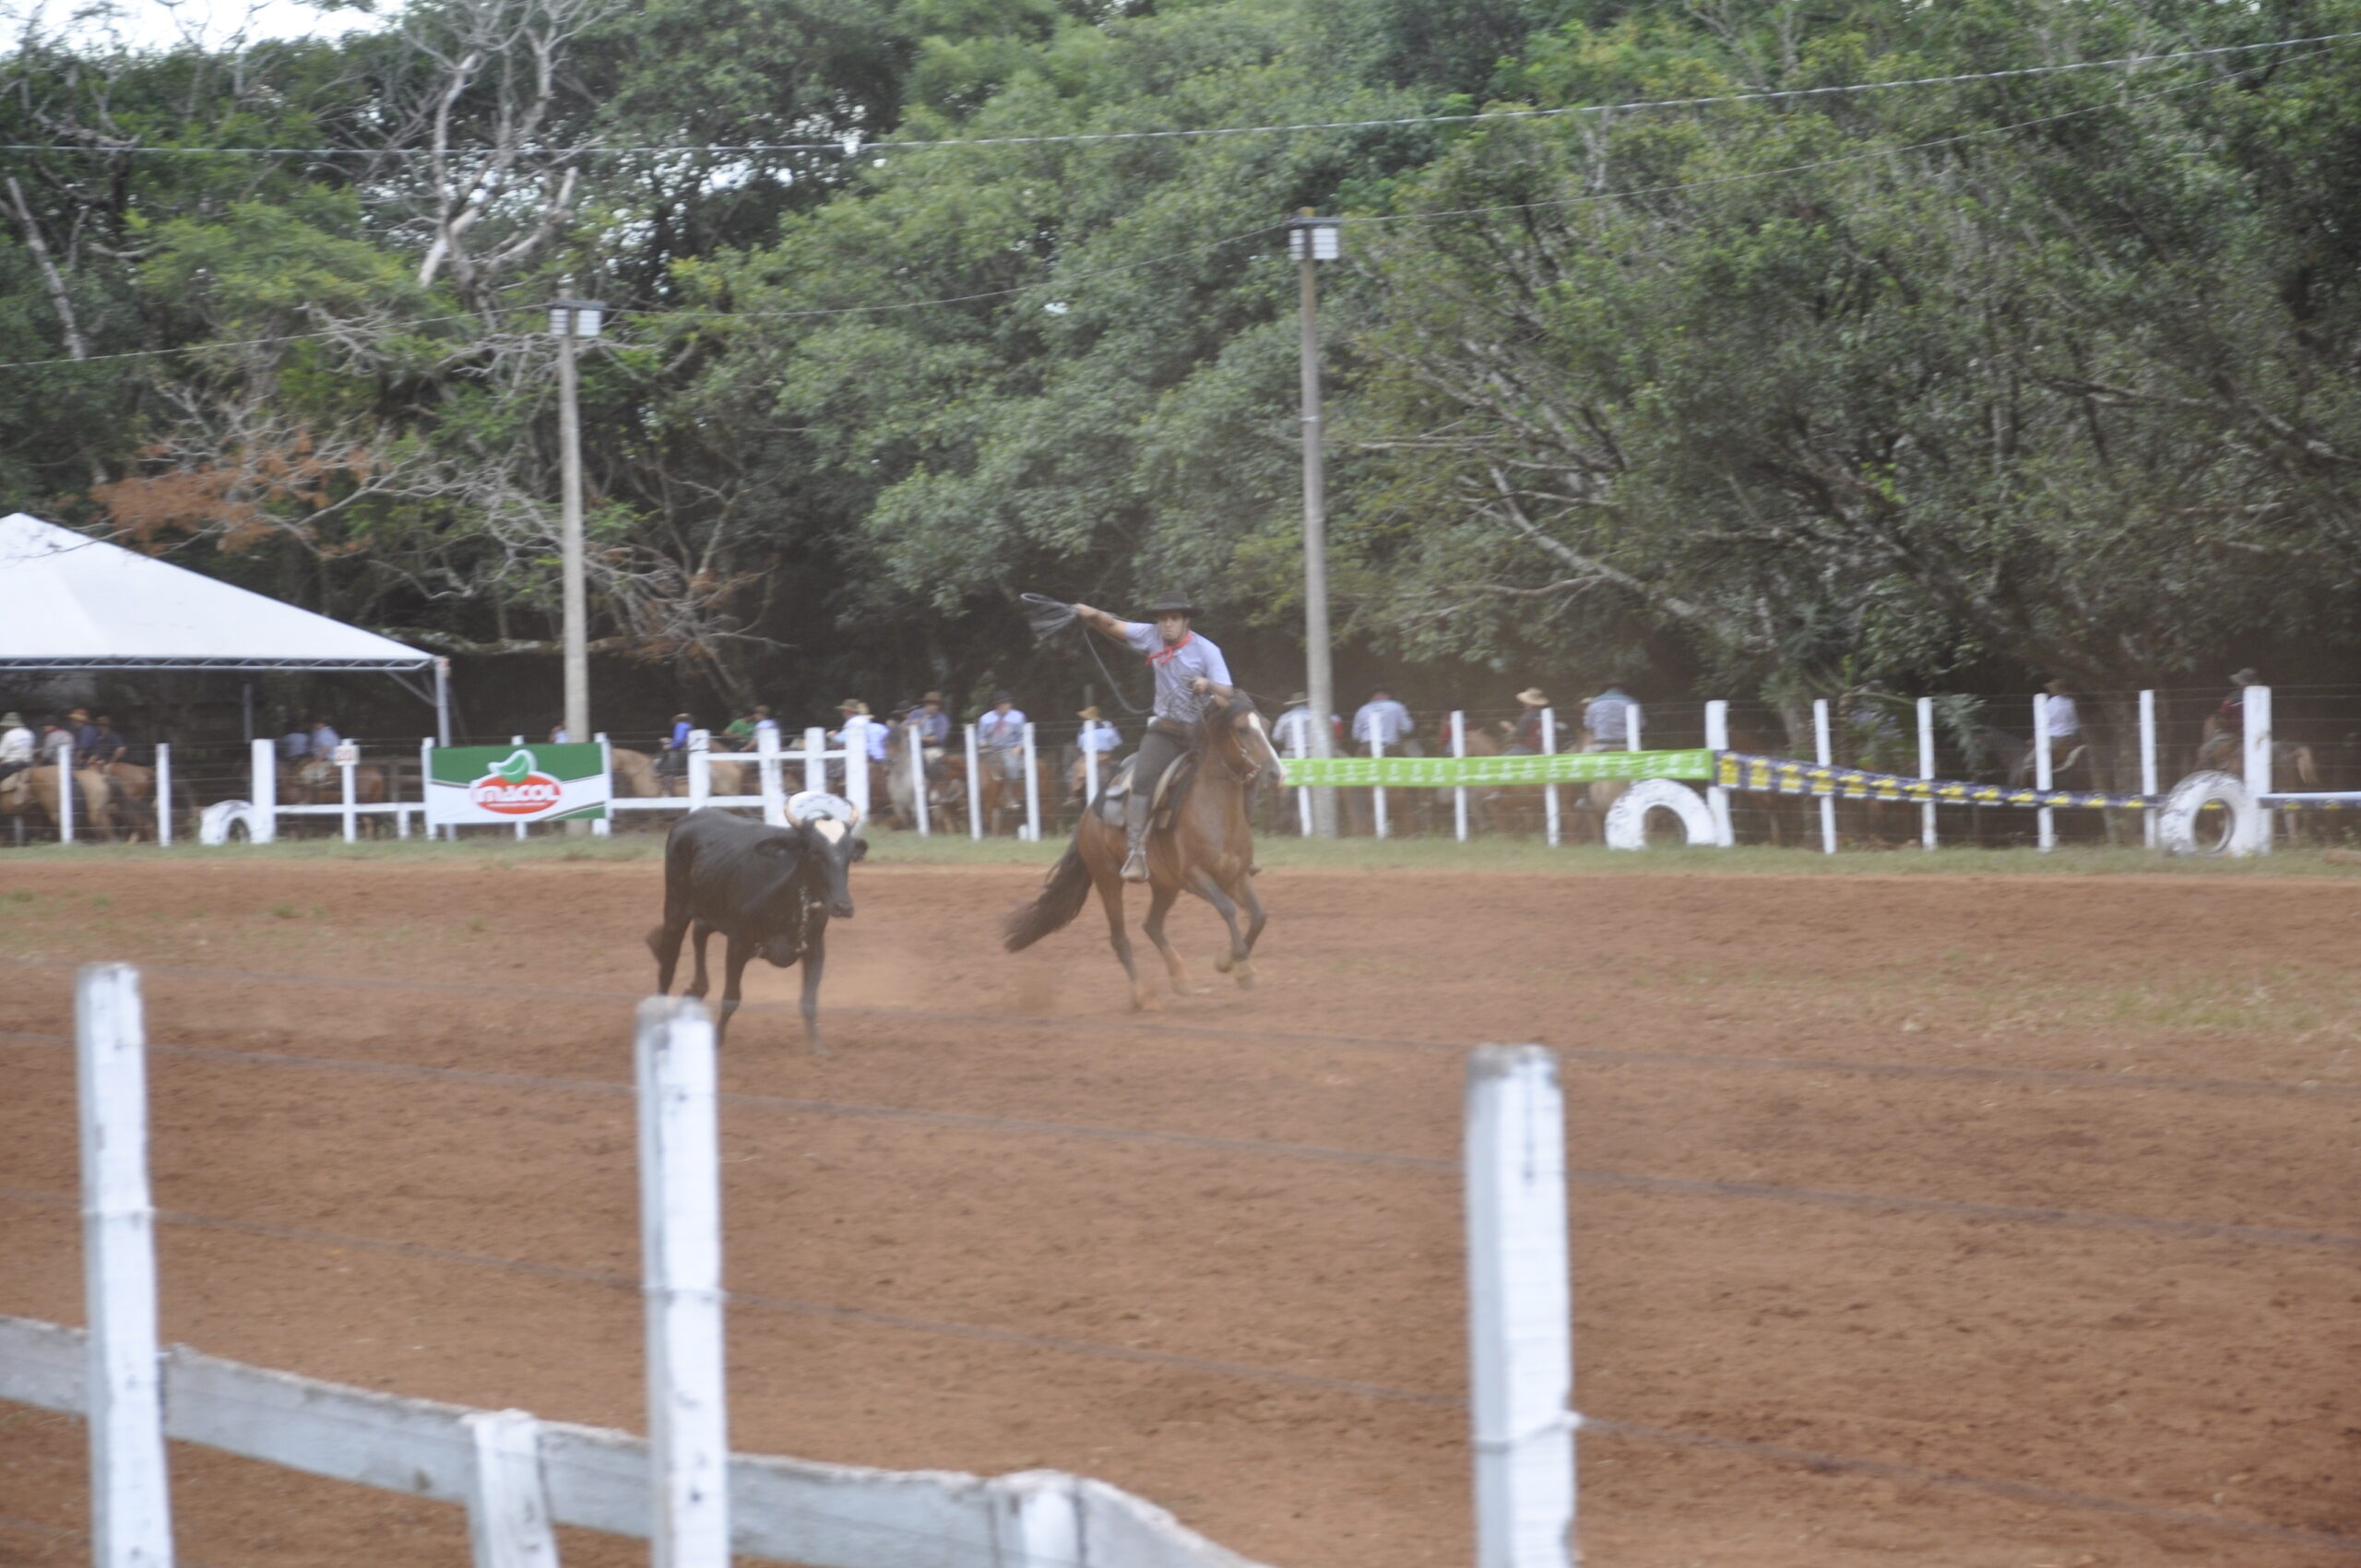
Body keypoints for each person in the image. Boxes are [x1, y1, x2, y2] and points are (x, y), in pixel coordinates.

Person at [1069, 592, 1235, 881]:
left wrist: (1207, 684)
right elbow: (1112, 625)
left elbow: (1227, 694)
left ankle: (1238, 847)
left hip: (1202, 731)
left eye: (1173, 618)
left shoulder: (1207, 650)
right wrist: (1090, 613)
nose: (1167, 624)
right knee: (1143, 778)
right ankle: (1136, 851)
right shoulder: (1150, 635)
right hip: (1166, 731)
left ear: (1186, 620)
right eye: (1162, 618)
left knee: (1237, 772)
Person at [977, 691, 1027, 786]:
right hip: (989, 749)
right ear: (996, 705)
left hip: (1008, 748)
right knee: (976, 765)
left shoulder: (1018, 717)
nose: (1004, 706)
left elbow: (1023, 735)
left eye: (1006, 703)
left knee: (1011, 766)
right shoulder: (986, 718)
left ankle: (1010, 789)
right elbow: (981, 737)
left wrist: (1019, 747)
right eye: (1001, 703)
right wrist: (982, 743)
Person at [1351, 687, 1413, 754]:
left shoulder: (1362, 709)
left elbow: (1356, 735)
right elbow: (1407, 728)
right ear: (1387, 695)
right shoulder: (1396, 706)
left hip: (1367, 747)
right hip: (1389, 747)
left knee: (1360, 758)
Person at [1582, 682, 1637, 752]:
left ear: (1605, 690)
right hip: (1625, 744)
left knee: (1586, 753)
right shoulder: (1630, 701)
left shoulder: (1594, 703)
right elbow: (1641, 724)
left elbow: (1589, 726)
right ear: (1623, 689)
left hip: (1601, 744)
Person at [1505, 688, 1551, 754]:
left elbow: (1520, 735)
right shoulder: (1544, 714)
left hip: (1525, 748)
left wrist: (1509, 728)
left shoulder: (1527, 716)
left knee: (1504, 758)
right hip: (1541, 747)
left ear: (1528, 703)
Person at [0, 711, 32, 785]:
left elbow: (1, 755)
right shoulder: (28, 733)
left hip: (11, 767)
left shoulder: (8, 735)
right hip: (27, 765)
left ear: (8, 725)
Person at [658, 712, 694, 777]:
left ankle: (660, 771)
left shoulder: (680, 726)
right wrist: (670, 740)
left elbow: (679, 741)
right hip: (688, 748)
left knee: (664, 750)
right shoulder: (690, 726)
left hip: (682, 748)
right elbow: (684, 739)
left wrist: (670, 745)